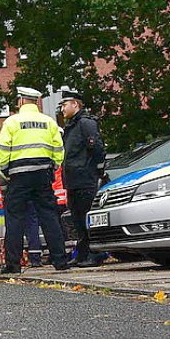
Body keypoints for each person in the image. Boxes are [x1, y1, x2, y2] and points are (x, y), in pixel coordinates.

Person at [0, 87, 70, 272]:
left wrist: (6, 171)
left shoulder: (12, 122)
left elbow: (2, 150)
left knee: (15, 218)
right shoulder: (48, 122)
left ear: (21, 101)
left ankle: (13, 264)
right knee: (49, 216)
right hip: (43, 174)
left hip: (18, 175)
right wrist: (52, 168)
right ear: (36, 102)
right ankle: (60, 261)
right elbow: (59, 150)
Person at [57, 88, 108, 266]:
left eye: (64, 105)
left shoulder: (86, 123)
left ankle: (96, 253)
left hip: (85, 178)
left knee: (88, 217)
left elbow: (97, 147)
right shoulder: (71, 126)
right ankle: (82, 253)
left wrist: (97, 170)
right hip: (73, 180)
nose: (62, 109)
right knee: (78, 219)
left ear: (75, 104)